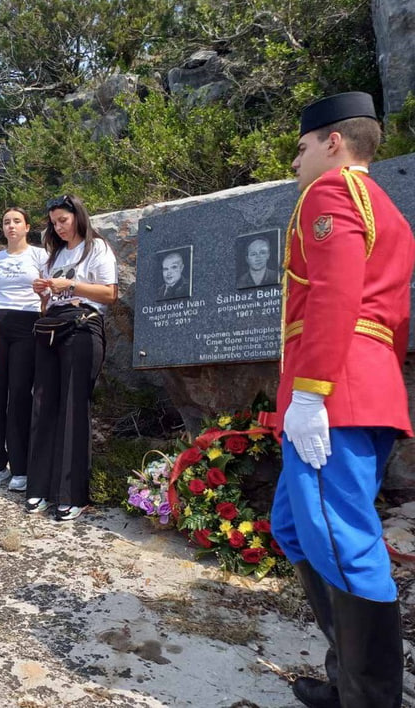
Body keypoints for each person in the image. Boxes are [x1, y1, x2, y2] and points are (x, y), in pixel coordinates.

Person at [270, 92, 413, 708]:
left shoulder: (330, 195)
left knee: (342, 542)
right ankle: (348, 678)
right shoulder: (387, 210)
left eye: (301, 148)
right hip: (362, 386)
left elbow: (332, 295)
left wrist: (312, 393)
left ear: (333, 142)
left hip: (335, 394)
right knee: (295, 526)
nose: (294, 163)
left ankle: (372, 699)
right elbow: (395, 323)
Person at [27, 195, 118, 521]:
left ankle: (71, 494)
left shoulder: (97, 248)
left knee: (73, 409)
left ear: (78, 216)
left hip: (82, 330)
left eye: (63, 220)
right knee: (44, 405)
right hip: (51, 330)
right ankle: (39, 487)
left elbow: (110, 293)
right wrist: (44, 292)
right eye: (53, 222)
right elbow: (49, 303)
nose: (58, 227)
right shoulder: (55, 255)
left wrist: (73, 285)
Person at [0, 207, 45, 492]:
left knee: (19, 393)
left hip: (27, 322)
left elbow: (50, 290)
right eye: (6, 222)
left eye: (17, 221)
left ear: (27, 226)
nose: (11, 226)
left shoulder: (40, 256)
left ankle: (21, 467)